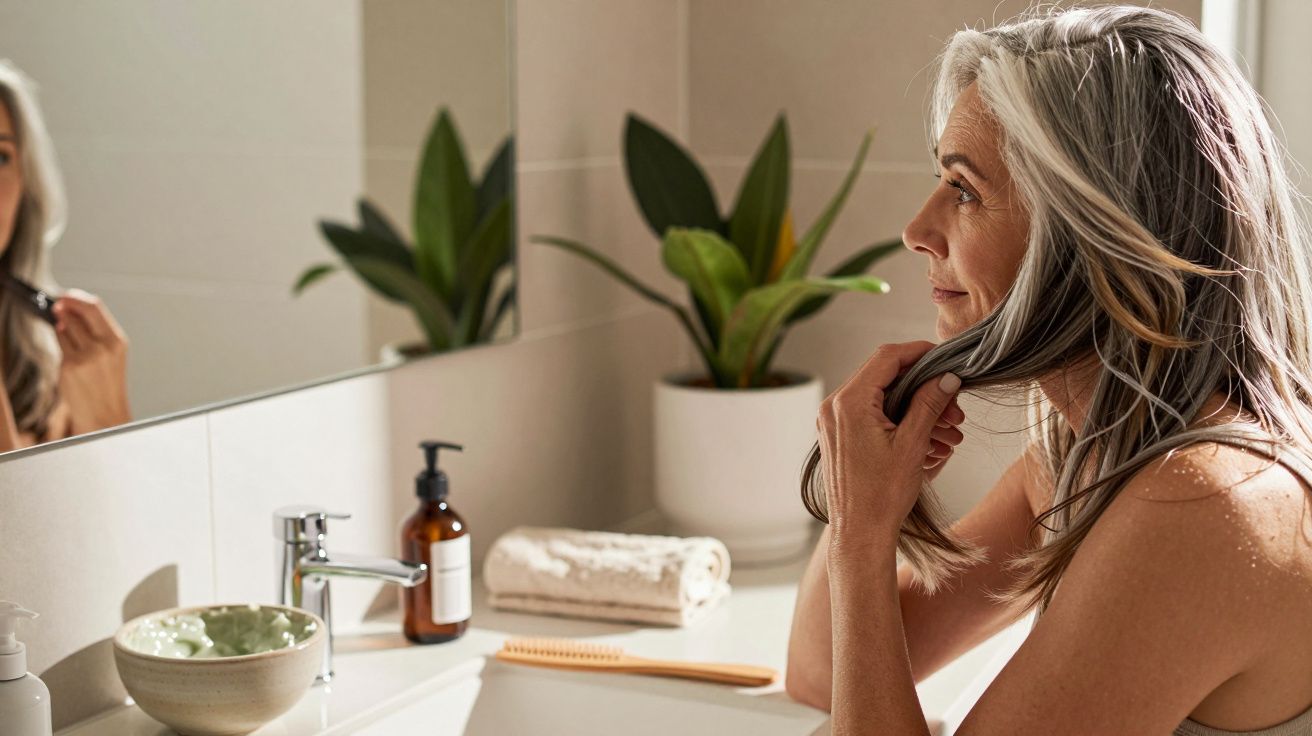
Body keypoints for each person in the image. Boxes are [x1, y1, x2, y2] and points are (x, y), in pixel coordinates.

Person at [786, 5, 1312, 735]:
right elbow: (820, 676)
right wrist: (869, 502)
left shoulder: (1204, 504)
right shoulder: (1088, 459)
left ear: (1087, 234)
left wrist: (861, 537)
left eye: (964, 189)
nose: (916, 230)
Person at [0, 61, 129, 451]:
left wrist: (107, 417)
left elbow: (115, 506)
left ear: (26, 183)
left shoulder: (49, 365)